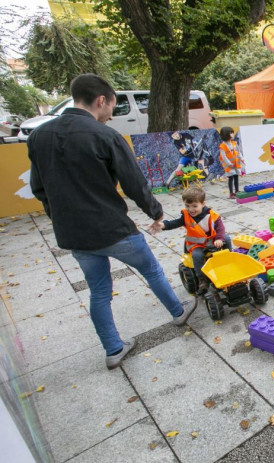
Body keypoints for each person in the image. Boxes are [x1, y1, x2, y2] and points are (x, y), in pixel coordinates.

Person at [27, 74, 195, 369]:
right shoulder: (105, 135)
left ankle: (113, 349)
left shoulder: (38, 136)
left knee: (99, 290)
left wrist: (61, 219)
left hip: (75, 235)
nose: (111, 114)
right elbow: (134, 183)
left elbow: (39, 188)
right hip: (112, 228)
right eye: (112, 107)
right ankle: (178, 312)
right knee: (152, 270)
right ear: (101, 100)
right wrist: (155, 212)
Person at [156, 186, 230, 294]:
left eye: (195, 206)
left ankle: (228, 262)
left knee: (226, 239)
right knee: (197, 255)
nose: (191, 209)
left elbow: (220, 228)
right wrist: (163, 225)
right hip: (196, 244)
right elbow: (174, 223)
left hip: (212, 240)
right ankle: (202, 280)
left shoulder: (212, 215)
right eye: (187, 206)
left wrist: (219, 238)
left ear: (203, 204)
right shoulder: (186, 216)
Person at [218, 127, 245, 199]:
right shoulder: (222, 146)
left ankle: (237, 191)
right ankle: (231, 193)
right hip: (229, 166)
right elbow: (223, 157)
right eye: (231, 133)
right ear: (226, 135)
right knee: (231, 178)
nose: (232, 134)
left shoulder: (234, 143)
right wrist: (229, 163)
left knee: (236, 176)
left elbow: (238, 152)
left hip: (236, 164)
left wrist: (242, 158)